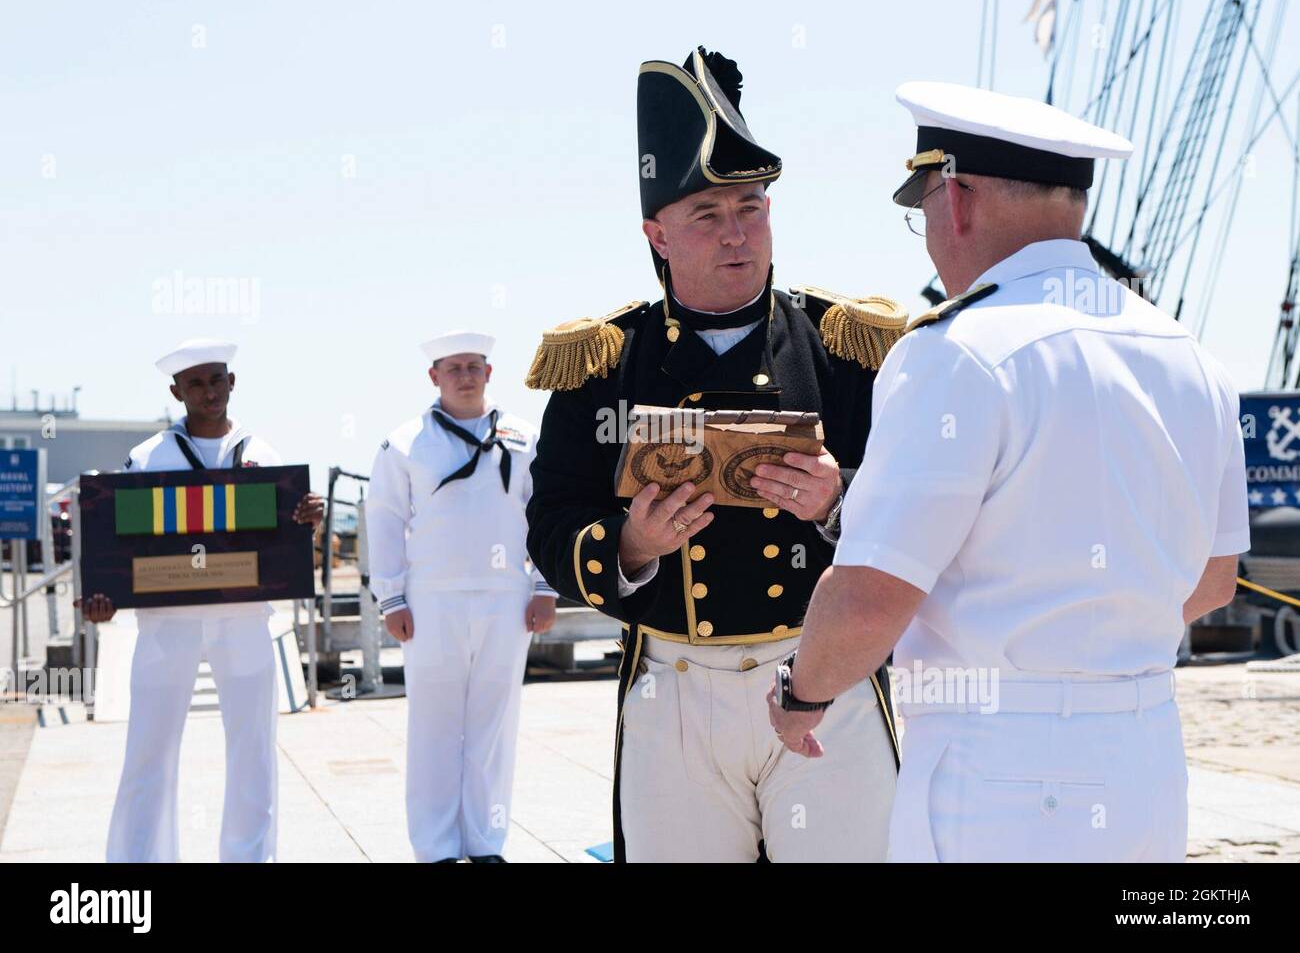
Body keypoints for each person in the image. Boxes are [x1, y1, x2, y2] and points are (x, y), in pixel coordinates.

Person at [767, 81, 1249, 862]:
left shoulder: (956, 352)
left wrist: (802, 694)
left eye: (921, 211)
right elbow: (1214, 581)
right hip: (1146, 760)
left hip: (996, 769)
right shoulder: (1191, 359)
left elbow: (869, 595)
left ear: (954, 198)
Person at [526, 47, 903, 862]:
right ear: (656, 235)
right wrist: (630, 547)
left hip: (825, 679)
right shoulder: (601, 359)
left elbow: (920, 510)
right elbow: (551, 521)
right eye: (708, 216)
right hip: (676, 692)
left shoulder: (847, 347)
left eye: (753, 207)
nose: (737, 234)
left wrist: (842, 502)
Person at [81, 338, 324, 862]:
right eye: (196, 383)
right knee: (149, 746)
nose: (209, 391)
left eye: (217, 379)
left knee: (254, 750)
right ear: (176, 391)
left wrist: (309, 523)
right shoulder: (148, 457)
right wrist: (102, 596)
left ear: (232, 383)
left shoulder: (266, 454)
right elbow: (116, 540)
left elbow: (290, 544)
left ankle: (249, 857)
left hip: (244, 617)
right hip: (168, 621)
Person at [366, 331, 557, 863]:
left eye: (475, 365)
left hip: (506, 597)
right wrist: (390, 597)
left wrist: (544, 586)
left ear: (490, 372)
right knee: (434, 726)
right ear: (434, 376)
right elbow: (383, 517)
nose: (466, 375)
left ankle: (485, 841)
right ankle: (435, 847)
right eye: (454, 368)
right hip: (431, 600)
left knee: (494, 726)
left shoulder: (524, 435)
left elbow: (544, 514)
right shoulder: (405, 442)